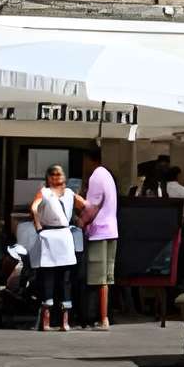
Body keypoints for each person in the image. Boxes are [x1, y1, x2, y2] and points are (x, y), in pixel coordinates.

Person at [31, 164, 80, 333]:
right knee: (50, 279)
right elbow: (34, 207)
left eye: (59, 174)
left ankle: (63, 322)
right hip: (50, 238)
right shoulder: (44, 192)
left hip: (63, 238)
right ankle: (48, 322)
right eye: (53, 174)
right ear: (48, 178)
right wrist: (38, 225)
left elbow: (86, 206)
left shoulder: (69, 193)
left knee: (63, 279)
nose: (57, 177)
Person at [80, 140, 120, 332]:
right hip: (111, 231)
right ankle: (105, 316)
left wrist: (80, 221)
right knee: (107, 278)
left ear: (89, 159)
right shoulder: (107, 175)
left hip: (99, 232)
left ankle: (101, 318)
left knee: (97, 277)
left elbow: (91, 207)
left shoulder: (96, 176)